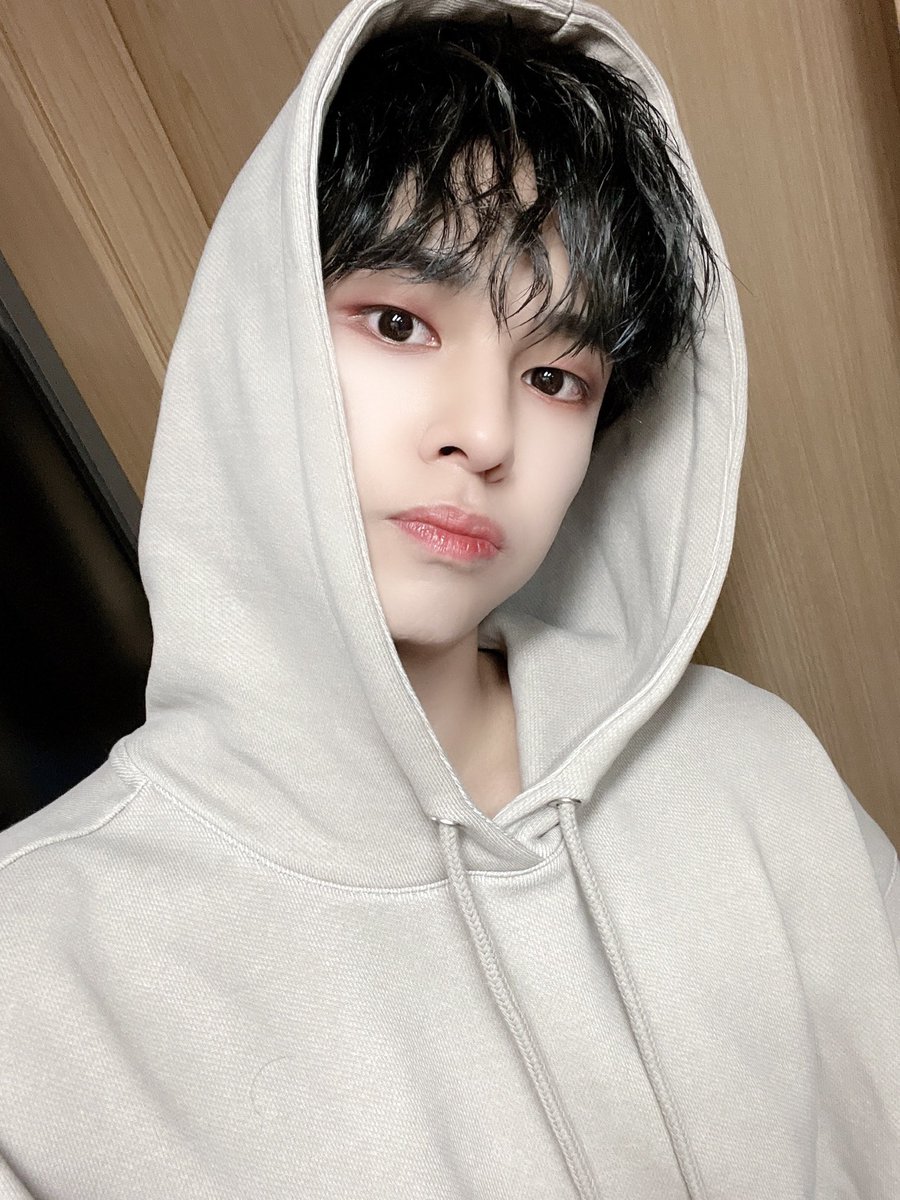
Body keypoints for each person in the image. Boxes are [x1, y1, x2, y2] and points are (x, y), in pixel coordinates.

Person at [0, 1, 897, 1197]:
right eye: (399, 322)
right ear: (257, 339)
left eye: (554, 376)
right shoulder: (38, 978)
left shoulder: (752, 764)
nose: (484, 432)